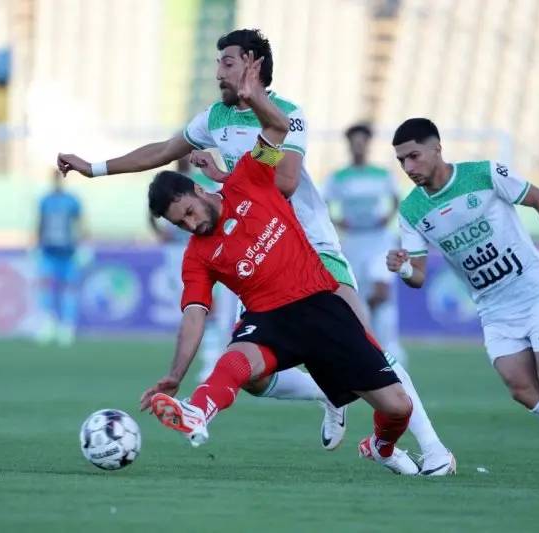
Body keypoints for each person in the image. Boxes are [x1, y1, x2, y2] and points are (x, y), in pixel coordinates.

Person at [58, 29, 454, 476]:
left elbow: (283, 182)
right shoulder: (215, 118)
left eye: (226, 62)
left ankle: (432, 449)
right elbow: (165, 151)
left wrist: (224, 178)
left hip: (310, 245)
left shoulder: (288, 114)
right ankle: (326, 393)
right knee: (255, 374)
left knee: (367, 343)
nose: (218, 72)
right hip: (246, 249)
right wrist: (94, 168)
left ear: (252, 63)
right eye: (217, 63)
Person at [139, 52, 420, 474]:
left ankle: (381, 446)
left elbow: (277, 128)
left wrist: (252, 95)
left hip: (320, 305)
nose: (192, 225)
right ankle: (197, 411)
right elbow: (194, 315)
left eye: (190, 213)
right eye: (181, 224)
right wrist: (175, 375)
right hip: (270, 319)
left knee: (398, 407)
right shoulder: (197, 256)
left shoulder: (248, 178)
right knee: (237, 361)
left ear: (198, 191)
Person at [388, 117, 539, 471]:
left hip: (532, 290)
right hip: (493, 308)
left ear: (437, 148)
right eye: (401, 161)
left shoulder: (483, 174)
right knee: (521, 387)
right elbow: (418, 276)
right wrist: (404, 268)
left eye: (413, 156)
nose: (408, 167)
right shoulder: (411, 210)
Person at [323, 122, 408, 368]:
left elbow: (396, 199)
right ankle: (367, 349)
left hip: (379, 239)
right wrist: (338, 221)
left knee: (381, 291)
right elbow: (323, 204)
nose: (359, 146)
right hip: (353, 241)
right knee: (356, 296)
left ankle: (390, 349)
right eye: (355, 141)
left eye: (363, 141)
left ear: (368, 144)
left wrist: (387, 217)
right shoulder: (337, 177)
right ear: (349, 145)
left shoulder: (382, 174)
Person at [149, 155, 234, 381]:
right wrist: (160, 233)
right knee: (196, 306)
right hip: (177, 253)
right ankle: (213, 360)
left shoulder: (201, 180)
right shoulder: (164, 188)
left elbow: (219, 202)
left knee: (214, 308)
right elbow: (151, 216)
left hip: (208, 248)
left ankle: (213, 361)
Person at [33, 170, 89, 346]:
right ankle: (49, 323)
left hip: (68, 252)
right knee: (46, 288)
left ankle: (67, 326)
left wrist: (84, 245)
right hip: (48, 251)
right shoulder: (45, 201)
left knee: (69, 289)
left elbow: (81, 223)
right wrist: (36, 245)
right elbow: (40, 223)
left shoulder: (72, 200)